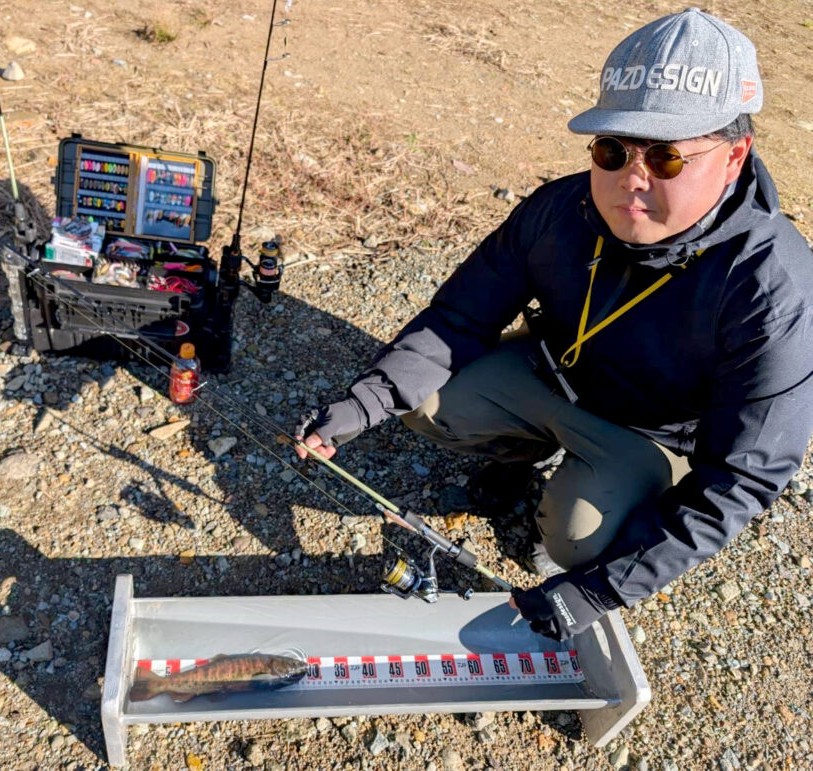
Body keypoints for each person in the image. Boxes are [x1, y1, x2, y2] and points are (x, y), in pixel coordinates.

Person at [295, 8, 813, 641]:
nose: (633, 180)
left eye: (667, 158)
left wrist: (597, 589)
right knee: (425, 402)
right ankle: (524, 454)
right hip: (556, 374)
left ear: (734, 157)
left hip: (653, 434)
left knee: (577, 540)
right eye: (612, 151)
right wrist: (363, 403)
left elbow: (741, 478)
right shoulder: (560, 209)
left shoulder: (774, 291)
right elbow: (461, 314)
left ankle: (606, 500)